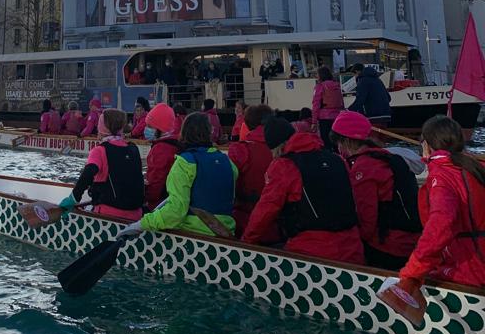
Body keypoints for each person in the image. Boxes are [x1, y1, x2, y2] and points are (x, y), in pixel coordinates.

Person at [243, 117, 364, 263]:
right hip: (353, 249)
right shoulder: (337, 160)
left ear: (276, 148)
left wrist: (245, 242)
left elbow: (266, 209)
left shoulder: (284, 165)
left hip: (311, 253)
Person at [396, 116, 485, 289]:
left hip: (470, 271)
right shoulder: (475, 167)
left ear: (426, 145)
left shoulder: (443, 175)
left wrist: (413, 271)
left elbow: (441, 224)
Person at [121, 113, 237, 238]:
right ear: (210, 132)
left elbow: (176, 211)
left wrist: (142, 224)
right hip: (225, 232)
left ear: (184, 132)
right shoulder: (228, 162)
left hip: (193, 235)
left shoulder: (185, 162)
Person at [330, 111, 421, 270]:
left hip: (389, 246)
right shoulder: (389, 157)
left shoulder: (364, 167)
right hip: (412, 241)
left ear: (345, 141)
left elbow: (367, 219)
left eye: (338, 143)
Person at [60, 107, 144, 219]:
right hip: (137, 214)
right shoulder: (133, 149)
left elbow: (87, 175)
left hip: (109, 216)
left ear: (102, 128)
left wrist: (73, 199)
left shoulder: (99, 150)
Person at [227, 104, 273, 236]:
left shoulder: (240, 149)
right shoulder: (282, 149)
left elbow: (228, 185)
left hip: (245, 220)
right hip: (278, 224)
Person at [143, 103, 180, 209]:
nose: (146, 129)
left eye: (150, 126)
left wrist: (143, 196)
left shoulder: (160, 149)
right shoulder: (176, 144)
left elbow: (155, 183)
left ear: (160, 129)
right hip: (173, 201)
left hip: (159, 205)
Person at [311, 65, 345, 148]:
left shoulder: (320, 86)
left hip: (324, 118)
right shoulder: (337, 85)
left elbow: (316, 104)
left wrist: (314, 122)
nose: (316, 76)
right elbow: (341, 101)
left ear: (321, 75)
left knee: (326, 142)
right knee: (336, 142)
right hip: (337, 117)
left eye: (317, 74)